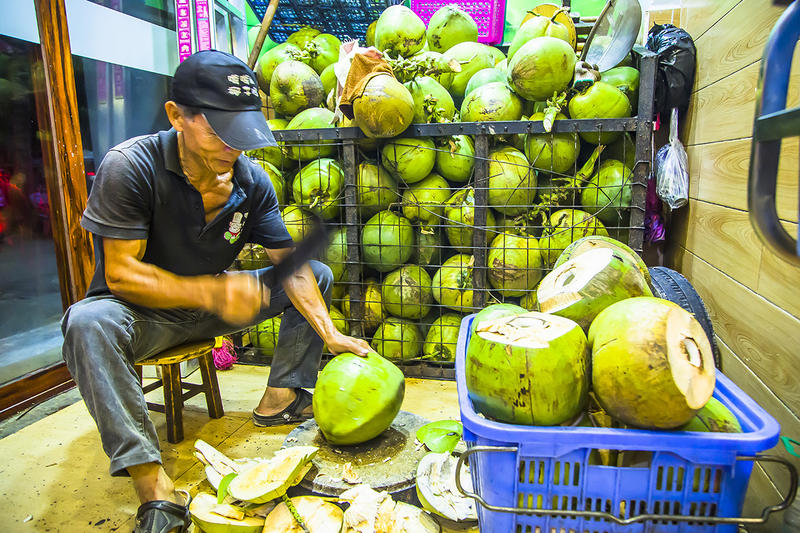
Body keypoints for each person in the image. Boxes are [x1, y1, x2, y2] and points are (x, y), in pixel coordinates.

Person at [60, 50, 370, 533]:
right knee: (86, 321)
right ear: (175, 116)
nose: (232, 145)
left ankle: (278, 398)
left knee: (313, 274)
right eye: (217, 129)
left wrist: (330, 333)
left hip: (212, 306)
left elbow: (287, 265)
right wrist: (212, 292)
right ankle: (155, 490)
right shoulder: (131, 167)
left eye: (241, 130)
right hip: (143, 316)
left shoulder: (251, 179)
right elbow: (120, 274)